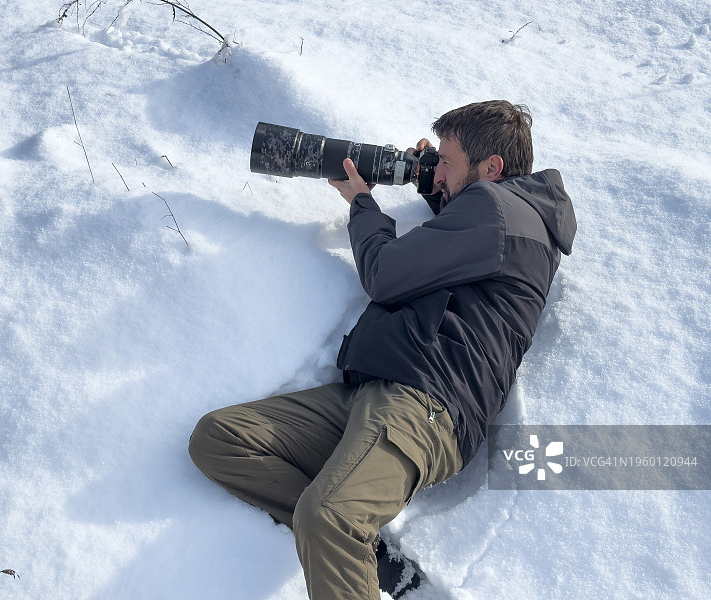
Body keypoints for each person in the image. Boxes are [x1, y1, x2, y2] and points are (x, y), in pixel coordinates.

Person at [189, 100, 577, 599]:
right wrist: (436, 187)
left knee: (328, 516)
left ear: (491, 168)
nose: (438, 170)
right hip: (380, 392)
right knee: (221, 439)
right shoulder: (507, 220)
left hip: (425, 403)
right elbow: (458, 250)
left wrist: (361, 204)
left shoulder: (496, 210)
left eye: (447, 162)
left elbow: (385, 273)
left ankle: (343, 535)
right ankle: (364, 555)